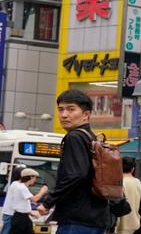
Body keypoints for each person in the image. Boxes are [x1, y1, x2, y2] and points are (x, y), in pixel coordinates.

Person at [39, 90, 110, 234]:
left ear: (86, 114)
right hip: (96, 216)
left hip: (76, 219)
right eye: (61, 109)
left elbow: (76, 174)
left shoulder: (74, 137)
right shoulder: (92, 138)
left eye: (71, 109)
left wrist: (48, 201)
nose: (64, 115)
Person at [7, 169, 45, 234]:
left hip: (23, 217)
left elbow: (22, 203)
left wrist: (29, 212)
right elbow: (34, 199)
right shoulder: (22, 188)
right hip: (20, 218)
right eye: (35, 177)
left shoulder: (23, 187)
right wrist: (43, 191)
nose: (35, 180)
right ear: (30, 177)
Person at [119, 158, 141, 234]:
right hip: (134, 222)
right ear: (133, 169)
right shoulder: (138, 182)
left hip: (120, 224)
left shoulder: (118, 182)